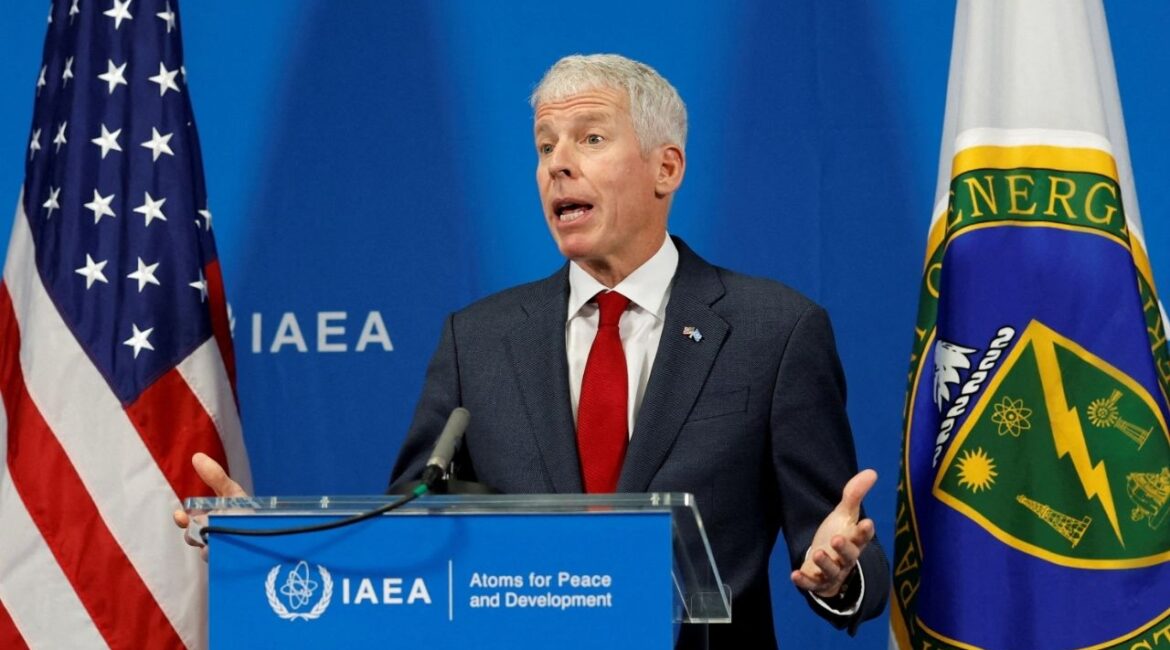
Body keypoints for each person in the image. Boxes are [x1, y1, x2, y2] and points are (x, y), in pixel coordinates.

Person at [176, 53, 888, 647]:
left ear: (665, 168)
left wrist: (837, 571)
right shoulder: (479, 339)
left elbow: (842, 553)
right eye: (545, 146)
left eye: (590, 139)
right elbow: (403, 544)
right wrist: (267, 539)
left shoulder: (774, 330)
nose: (557, 166)